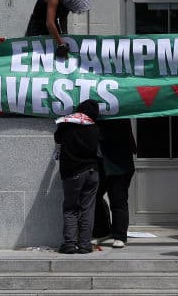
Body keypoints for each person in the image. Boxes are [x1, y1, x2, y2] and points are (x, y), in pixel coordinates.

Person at [54, 99, 101, 254]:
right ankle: (85, 245)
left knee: (70, 208)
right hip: (92, 172)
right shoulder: (95, 127)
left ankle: (69, 244)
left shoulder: (67, 124)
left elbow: (57, 138)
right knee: (87, 209)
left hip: (72, 172)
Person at [92, 118, 136, 248]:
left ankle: (120, 235)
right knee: (94, 197)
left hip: (119, 167)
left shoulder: (118, 118)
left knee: (118, 201)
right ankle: (103, 231)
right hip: (102, 166)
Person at [25, 0, 91, 58]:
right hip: (38, 26)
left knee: (57, 53)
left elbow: (63, 18)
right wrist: (61, 44)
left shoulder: (65, 1)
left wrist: (65, 35)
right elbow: (49, 23)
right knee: (37, 54)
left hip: (53, 25)